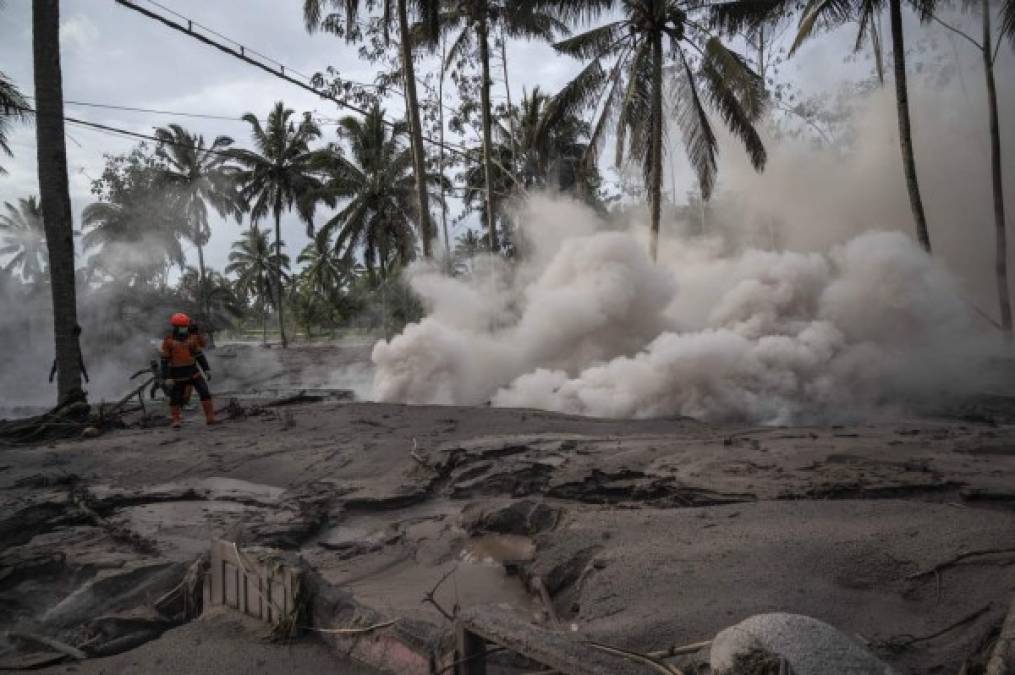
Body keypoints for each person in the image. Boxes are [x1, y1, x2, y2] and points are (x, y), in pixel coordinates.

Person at [160, 312, 215, 428]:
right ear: (175, 327)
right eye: (182, 327)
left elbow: (199, 355)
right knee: (175, 398)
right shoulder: (168, 341)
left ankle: (210, 417)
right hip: (177, 375)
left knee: (205, 392)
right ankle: (176, 420)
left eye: (186, 326)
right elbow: (164, 361)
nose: (184, 329)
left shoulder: (192, 339)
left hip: (193, 372)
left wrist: (207, 370)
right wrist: (166, 377)